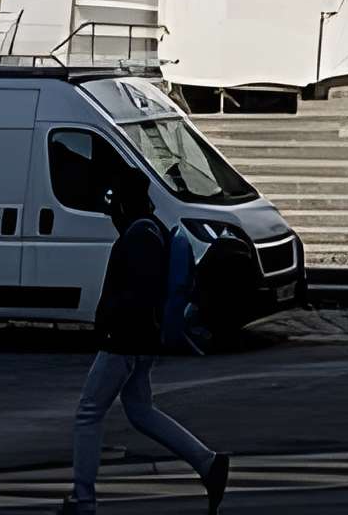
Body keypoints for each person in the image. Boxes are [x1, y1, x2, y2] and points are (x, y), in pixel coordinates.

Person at [60, 167, 226, 512]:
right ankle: (208, 463)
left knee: (89, 412)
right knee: (140, 411)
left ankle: (83, 499)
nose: (111, 209)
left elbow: (133, 297)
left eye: (114, 200)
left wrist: (109, 331)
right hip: (139, 340)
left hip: (124, 341)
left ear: (125, 200)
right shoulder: (151, 230)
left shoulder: (139, 236)